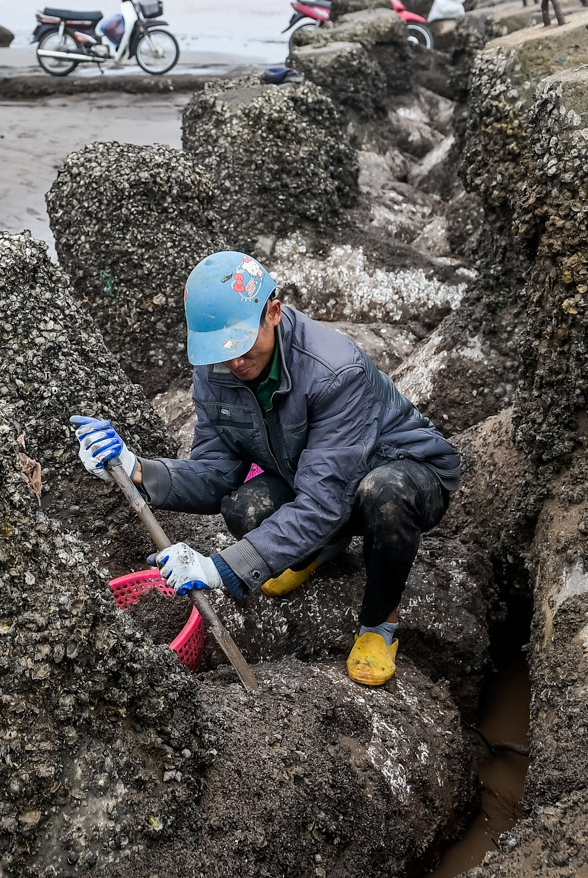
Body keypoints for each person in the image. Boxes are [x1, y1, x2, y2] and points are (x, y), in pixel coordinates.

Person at [71, 251, 460, 686]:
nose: (233, 363)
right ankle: (323, 549)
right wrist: (136, 468)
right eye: (219, 351)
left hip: (403, 469)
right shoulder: (215, 372)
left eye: (240, 345)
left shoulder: (334, 371)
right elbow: (217, 473)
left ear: (273, 312)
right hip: (312, 472)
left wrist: (219, 568)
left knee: (382, 495)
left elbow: (322, 500)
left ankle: (379, 623)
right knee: (243, 508)